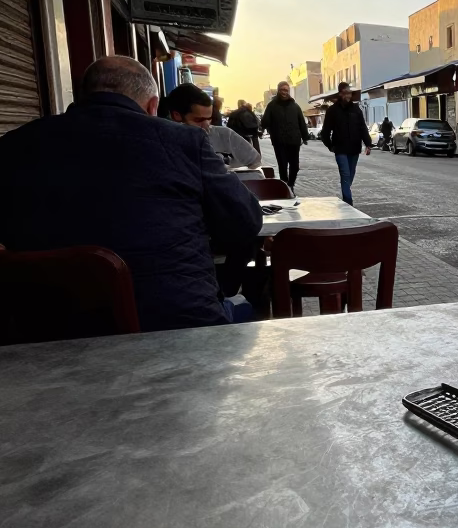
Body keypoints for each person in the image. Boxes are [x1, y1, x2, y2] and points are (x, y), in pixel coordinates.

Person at [0, 56, 262, 331]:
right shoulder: (185, 142)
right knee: (246, 309)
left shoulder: (14, 146)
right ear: (152, 106)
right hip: (179, 324)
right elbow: (245, 221)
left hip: (50, 333)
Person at [166, 84, 262, 172]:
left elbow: (255, 163)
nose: (206, 125)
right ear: (176, 116)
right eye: (199, 120)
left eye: (209, 119)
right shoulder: (163, 144)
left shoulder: (225, 136)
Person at [321, 81, 372, 205]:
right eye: (345, 93)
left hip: (354, 148)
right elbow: (325, 131)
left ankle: (346, 194)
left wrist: (368, 143)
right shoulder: (332, 111)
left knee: (350, 175)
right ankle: (348, 201)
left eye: (349, 93)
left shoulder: (356, 109)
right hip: (340, 148)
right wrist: (330, 145)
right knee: (345, 174)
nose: (348, 96)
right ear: (340, 94)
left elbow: (362, 127)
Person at [261, 80, 308, 189]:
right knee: (282, 165)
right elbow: (265, 121)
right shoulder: (272, 106)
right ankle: (284, 186)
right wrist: (266, 128)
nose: (284, 92)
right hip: (279, 141)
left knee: (295, 166)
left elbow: (301, 122)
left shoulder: (295, 106)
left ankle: (290, 184)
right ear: (278, 90)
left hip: (294, 140)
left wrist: (305, 137)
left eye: (286, 90)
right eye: (282, 90)